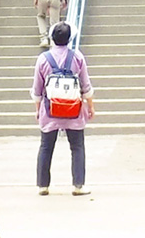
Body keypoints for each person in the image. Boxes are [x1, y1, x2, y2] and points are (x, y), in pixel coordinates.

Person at [31, 22, 95, 196]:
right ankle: (78, 185)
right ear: (69, 38)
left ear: (52, 38)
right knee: (77, 147)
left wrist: (38, 109)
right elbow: (86, 85)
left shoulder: (43, 59)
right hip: (74, 110)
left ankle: (43, 185)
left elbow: (37, 89)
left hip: (50, 110)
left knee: (46, 147)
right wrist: (90, 106)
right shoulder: (77, 57)